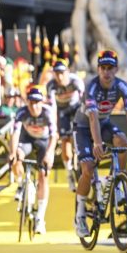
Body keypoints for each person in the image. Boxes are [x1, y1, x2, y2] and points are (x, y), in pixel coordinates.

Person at [73, 50, 127, 238]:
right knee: (88, 169)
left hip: (104, 124)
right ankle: (80, 214)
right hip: (84, 127)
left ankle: (117, 184)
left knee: (122, 141)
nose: (106, 72)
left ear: (116, 69)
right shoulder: (91, 87)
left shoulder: (122, 87)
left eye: (110, 68)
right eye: (103, 68)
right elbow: (92, 119)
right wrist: (97, 143)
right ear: (98, 69)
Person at [9, 86, 57, 235]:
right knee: (17, 154)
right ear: (27, 102)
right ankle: (20, 182)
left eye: (37, 102)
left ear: (42, 102)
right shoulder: (22, 112)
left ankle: (40, 218)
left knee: (44, 175)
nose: (34, 106)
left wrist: (49, 154)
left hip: (43, 142)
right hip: (27, 139)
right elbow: (15, 133)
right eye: (31, 102)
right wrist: (12, 152)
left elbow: (54, 136)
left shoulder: (48, 112)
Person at [46, 59, 85, 192]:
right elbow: (52, 108)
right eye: (56, 73)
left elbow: (84, 100)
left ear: (68, 72)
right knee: (65, 139)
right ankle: (69, 173)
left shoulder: (76, 81)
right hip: (62, 111)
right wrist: (54, 127)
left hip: (75, 108)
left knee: (81, 129)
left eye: (62, 73)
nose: (59, 77)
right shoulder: (51, 85)